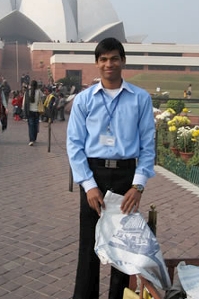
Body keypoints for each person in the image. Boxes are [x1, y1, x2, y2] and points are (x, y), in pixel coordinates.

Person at [66, 37, 156, 299]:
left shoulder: (140, 99)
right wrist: (88, 185)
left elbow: (148, 146)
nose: (109, 64)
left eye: (114, 58)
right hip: (94, 175)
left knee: (122, 247)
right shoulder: (84, 100)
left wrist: (138, 186)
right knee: (89, 246)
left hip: (126, 176)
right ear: (97, 63)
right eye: (103, 59)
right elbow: (74, 145)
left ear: (123, 61)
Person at [22, 80, 42, 146]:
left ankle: (31, 140)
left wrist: (23, 110)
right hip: (37, 111)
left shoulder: (27, 92)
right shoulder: (39, 92)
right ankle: (34, 138)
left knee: (31, 126)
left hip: (30, 111)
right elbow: (42, 98)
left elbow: (24, 102)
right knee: (36, 125)